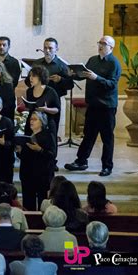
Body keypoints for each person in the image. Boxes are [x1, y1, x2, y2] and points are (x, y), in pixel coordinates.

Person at [65, 35, 121, 177]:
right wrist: (73, 74)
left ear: (111, 47)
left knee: (107, 138)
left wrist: (97, 78)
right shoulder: (93, 60)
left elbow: (111, 84)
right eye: (99, 42)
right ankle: (81, 161)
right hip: (93, 104)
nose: (100, 45)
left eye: (104, 43)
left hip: (107, 106)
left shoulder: (114, 63)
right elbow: (83, 74)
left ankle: (107, 166)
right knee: (88, 135)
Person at [17, 111, 56, 211]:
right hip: (27, 175)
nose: (31, 121)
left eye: (35, 119)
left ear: (42, 122)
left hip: (42, 175)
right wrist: (19, 151)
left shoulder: (48, 135)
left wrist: (40, 149)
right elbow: (24, 157)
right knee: (28, 203)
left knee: (43, 203)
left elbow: (51, 155)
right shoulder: (28, 136)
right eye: (31, 119)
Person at [30, 37, 73, 123]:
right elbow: (28, 82)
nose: (47, 51)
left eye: (50, 48)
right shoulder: (36, 64)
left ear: (56, 49)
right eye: (45, 48)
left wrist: (60, 80)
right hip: (37, 99)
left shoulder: (63, 66)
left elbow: (70, 85)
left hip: (53, 102)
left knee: (52, 127)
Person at [23, 65, 60, 137]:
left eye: (33, 76)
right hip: (32, 121)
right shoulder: (29, 91)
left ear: (40, 77)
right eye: (30, 76)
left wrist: (46, 109)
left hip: (46, 122)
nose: (30, 78)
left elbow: (57, 109)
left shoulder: (50, 91)